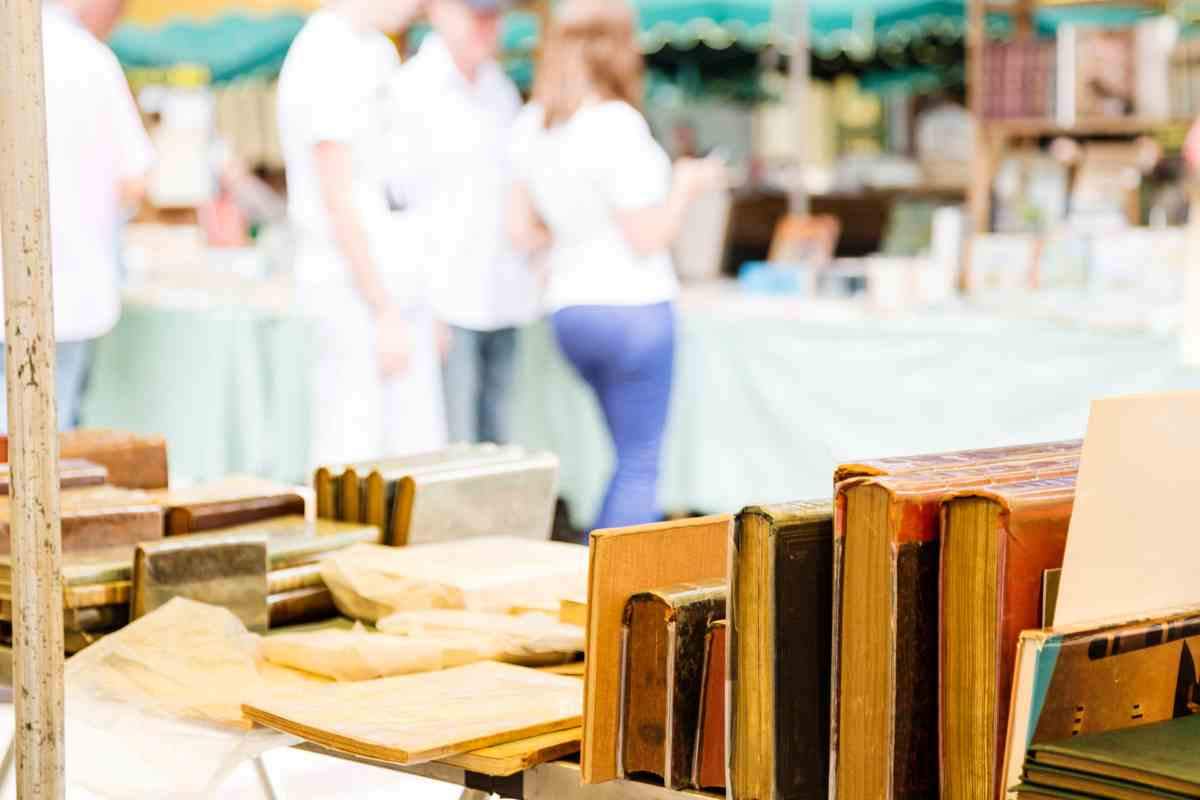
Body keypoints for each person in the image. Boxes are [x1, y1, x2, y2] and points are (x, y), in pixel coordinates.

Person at [508, 0, 724, 530]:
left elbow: (521, 230)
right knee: (638, 465)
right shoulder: (617, 125)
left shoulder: (533, 124)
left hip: (570, 311)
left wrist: (578, 227)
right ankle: (613, 597)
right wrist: (686, 185)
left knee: (624, 460)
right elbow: (648, 236)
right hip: (633, 309)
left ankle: (594, 579)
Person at [278, 0, 447, 466]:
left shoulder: (373, 50)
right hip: (352, 291)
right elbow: (338, 197)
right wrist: (384, 307)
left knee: (411, 459)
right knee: (354, 455)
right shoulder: (324, 52)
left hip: (391, 290)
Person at [386, 0, 538, 446]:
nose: (488, 27)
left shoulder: (501, 91)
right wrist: (417, 304)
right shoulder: (411, 91)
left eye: (494, 16)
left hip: (504, 297)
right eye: (477, 15)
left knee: (499, 449)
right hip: (443, 304)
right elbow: (398, 208)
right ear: (440, 12)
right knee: (453, 451)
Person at [0, 0, 154, 432]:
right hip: (67, 290)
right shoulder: (92, 60)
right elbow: (135, 178)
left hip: (50, 287)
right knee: (49, 434)